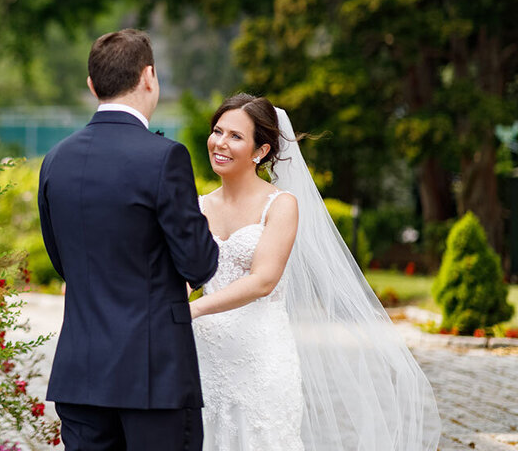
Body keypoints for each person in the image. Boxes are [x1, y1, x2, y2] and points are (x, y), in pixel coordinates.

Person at [191, 93, 441, 450]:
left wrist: (195, 308)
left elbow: (264, 280)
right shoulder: (197, 206)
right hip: (205, 353)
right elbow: (186, 273)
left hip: (259, 355)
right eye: (218, 131)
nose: (220, 143)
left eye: (235, 136)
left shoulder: (280, 205)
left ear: (260, 151)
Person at [38, 29, 219, 451]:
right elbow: (199, 264)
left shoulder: (56, 159)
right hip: (153, 376)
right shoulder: (164, 157)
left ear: (91, 85)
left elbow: (62, 260)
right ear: (150, 76)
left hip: (80, 373)